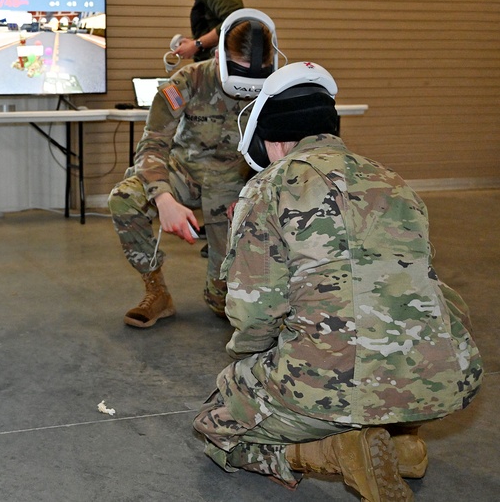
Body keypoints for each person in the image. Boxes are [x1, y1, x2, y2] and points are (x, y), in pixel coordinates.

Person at [194, 62, 482, 501]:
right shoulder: (394, 182)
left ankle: (334, 451)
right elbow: (433, 294)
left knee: (216, 423)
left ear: (271, 140)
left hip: (326, 387)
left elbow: (254, 314)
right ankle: (400, 442)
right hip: (440, 379)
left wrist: (244, 365)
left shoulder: (268, 187)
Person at [108, 9, 278, 328]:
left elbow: (284, 155)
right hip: (185, 172)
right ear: (221, 56)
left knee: (221, 304)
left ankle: (224, 289)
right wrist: (163, 199)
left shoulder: (275, 87)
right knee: (124, 199)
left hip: (238, 183)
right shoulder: (189, 80)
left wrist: (255, 198)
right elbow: (152, 144)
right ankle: (156, 292)